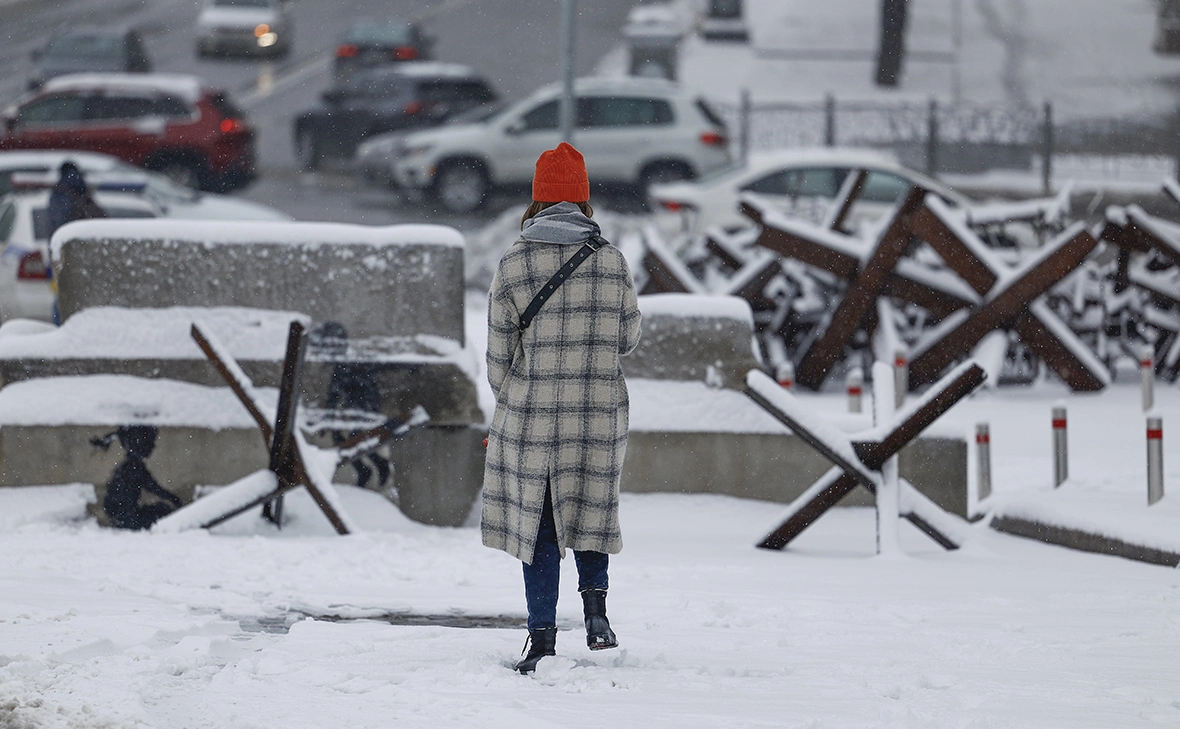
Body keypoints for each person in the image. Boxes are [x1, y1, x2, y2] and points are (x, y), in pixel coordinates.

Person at [482, 142, 642, 674]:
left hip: (532, 417)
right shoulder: (612, 261)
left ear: (537, 201)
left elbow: (498, 359)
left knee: (541, 527)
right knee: (592, 507)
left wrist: (518, 397)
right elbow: (628, 338)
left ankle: (542, 639)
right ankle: (596, 614)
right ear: (582, 201)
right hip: (598, 411)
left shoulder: (514, 263)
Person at [91, 425, 184, 530]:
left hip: (121, 519)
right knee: (164, 511)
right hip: (129, 520)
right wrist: (175, 499)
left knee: (160, 509)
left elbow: (110, 504)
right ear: (142, 445)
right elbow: (154, 488)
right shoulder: (135, 469)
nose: (154, 446)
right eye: (151, 443)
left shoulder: (127, 467)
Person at [46, 161, 105, 324]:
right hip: (87, 253)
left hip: (64, 253)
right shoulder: (83, 191)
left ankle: (61, 327)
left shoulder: (58, 194)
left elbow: (57, 225)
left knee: (60, 293)